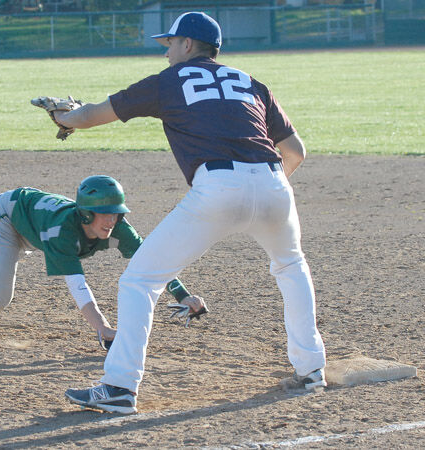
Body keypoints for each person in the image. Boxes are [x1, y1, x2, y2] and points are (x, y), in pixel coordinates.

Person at [54, 12, 327, 414]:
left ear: (186, 45)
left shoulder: (168, 82)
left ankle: (119, 387)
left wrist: (63, 116)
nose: (166, 52)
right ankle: (312, 370)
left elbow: (92, 115)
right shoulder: (251, 82)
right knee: (290, 266)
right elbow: (296, 153)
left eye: (170, 44)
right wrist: (262, 190)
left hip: (217, 188)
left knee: (140, 279)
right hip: (274, 184)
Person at [0, 175, 204, 344]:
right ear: (86, 213)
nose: (112, 219)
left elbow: (149, 262)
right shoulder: (63, 232)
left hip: (35, 223)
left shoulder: (118, 229)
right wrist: (101, 327)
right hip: (9, 215)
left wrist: (183, 293)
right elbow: (77, 287)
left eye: (116, 212)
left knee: (6, 257)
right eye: (105, 212)